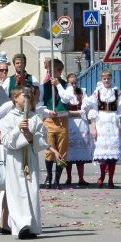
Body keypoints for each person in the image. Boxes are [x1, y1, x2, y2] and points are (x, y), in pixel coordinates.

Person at [0, 85, 53, 238]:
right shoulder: (8, 119)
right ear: (15, 98)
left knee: (31, 190)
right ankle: (21, 225)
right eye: (23, 96)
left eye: (29, 96)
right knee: (17, 191)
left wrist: (31, 136)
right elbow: (6, 140)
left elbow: (43, 139)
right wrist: (17, 129)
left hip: (30, 157)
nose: (27, 99)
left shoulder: (34, 118)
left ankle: (33, 226)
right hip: (15, 159)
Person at [87, 69, 121, 187]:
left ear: (111, 79)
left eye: (108, 78)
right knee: (103, 154)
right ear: (101, 79)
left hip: (114, 122)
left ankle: (110, 179)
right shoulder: (98, 92)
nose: (106, 81)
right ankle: (102, 176)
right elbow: (93, 110)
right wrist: (93, 128)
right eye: (104, 79)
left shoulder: (117, 92)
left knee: (113, 155)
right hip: (102, 122)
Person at [59, 72, 94, 186]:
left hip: (81, 124)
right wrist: (76, 112)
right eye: (71, 83)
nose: (73, 85)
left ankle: (81, 178)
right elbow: (64, 110)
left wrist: (78, 112)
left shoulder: (82, 92)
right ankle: (69, 178)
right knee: (69, 154)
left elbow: (86, 107)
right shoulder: (65, 94)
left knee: (80, 154)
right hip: (69, 123)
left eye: (75, 83)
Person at [41, 58, 70, 188]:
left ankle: (57, 179)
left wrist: (58, 85)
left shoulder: (66, 85)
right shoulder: (44, 87)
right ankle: (49, 176)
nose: (53, 73)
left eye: (57, 70)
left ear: (60, 71)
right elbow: (39, 104)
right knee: (49, 149)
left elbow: (65, 98)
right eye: (51, 71)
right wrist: (47, 111)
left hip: (62, 120)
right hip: (49, 120)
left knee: (62, 151)